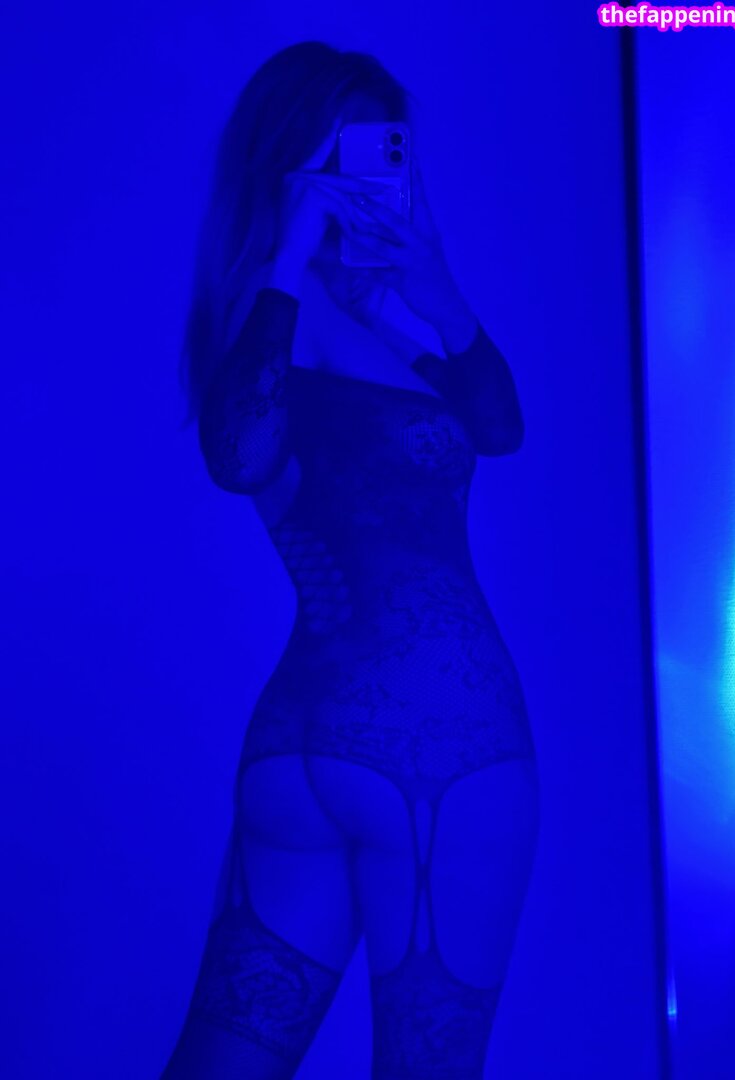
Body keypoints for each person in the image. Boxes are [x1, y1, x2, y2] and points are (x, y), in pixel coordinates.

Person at [163, 40, 539, 1080]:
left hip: (301, 748)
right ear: (288, 162)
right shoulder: (268, 310)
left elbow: (501, 426)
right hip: (448, 747)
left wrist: (435, 292)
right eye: (346, 153)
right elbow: (239, 457)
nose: (371, 178)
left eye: (387, 153)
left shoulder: (314, 319)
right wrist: (290, 255)